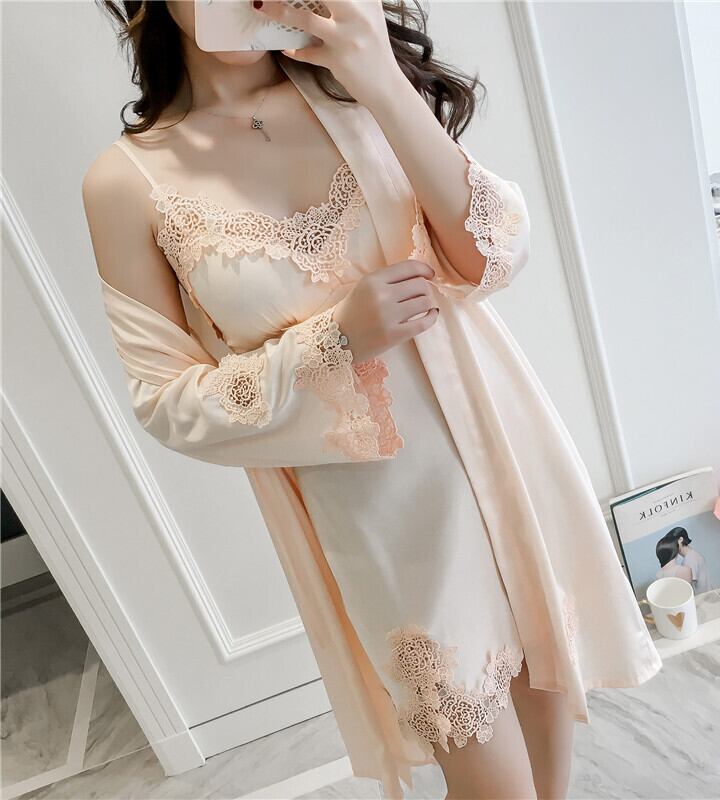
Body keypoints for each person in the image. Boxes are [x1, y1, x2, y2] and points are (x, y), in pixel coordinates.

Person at [82, 2, 662, 798]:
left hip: (504, 451)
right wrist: (335, 341)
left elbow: (493, 253)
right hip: (389, 524)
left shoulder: (351, 83)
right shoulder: (127, 182)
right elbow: (166, 402)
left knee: (549, 741)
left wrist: (381, 79)